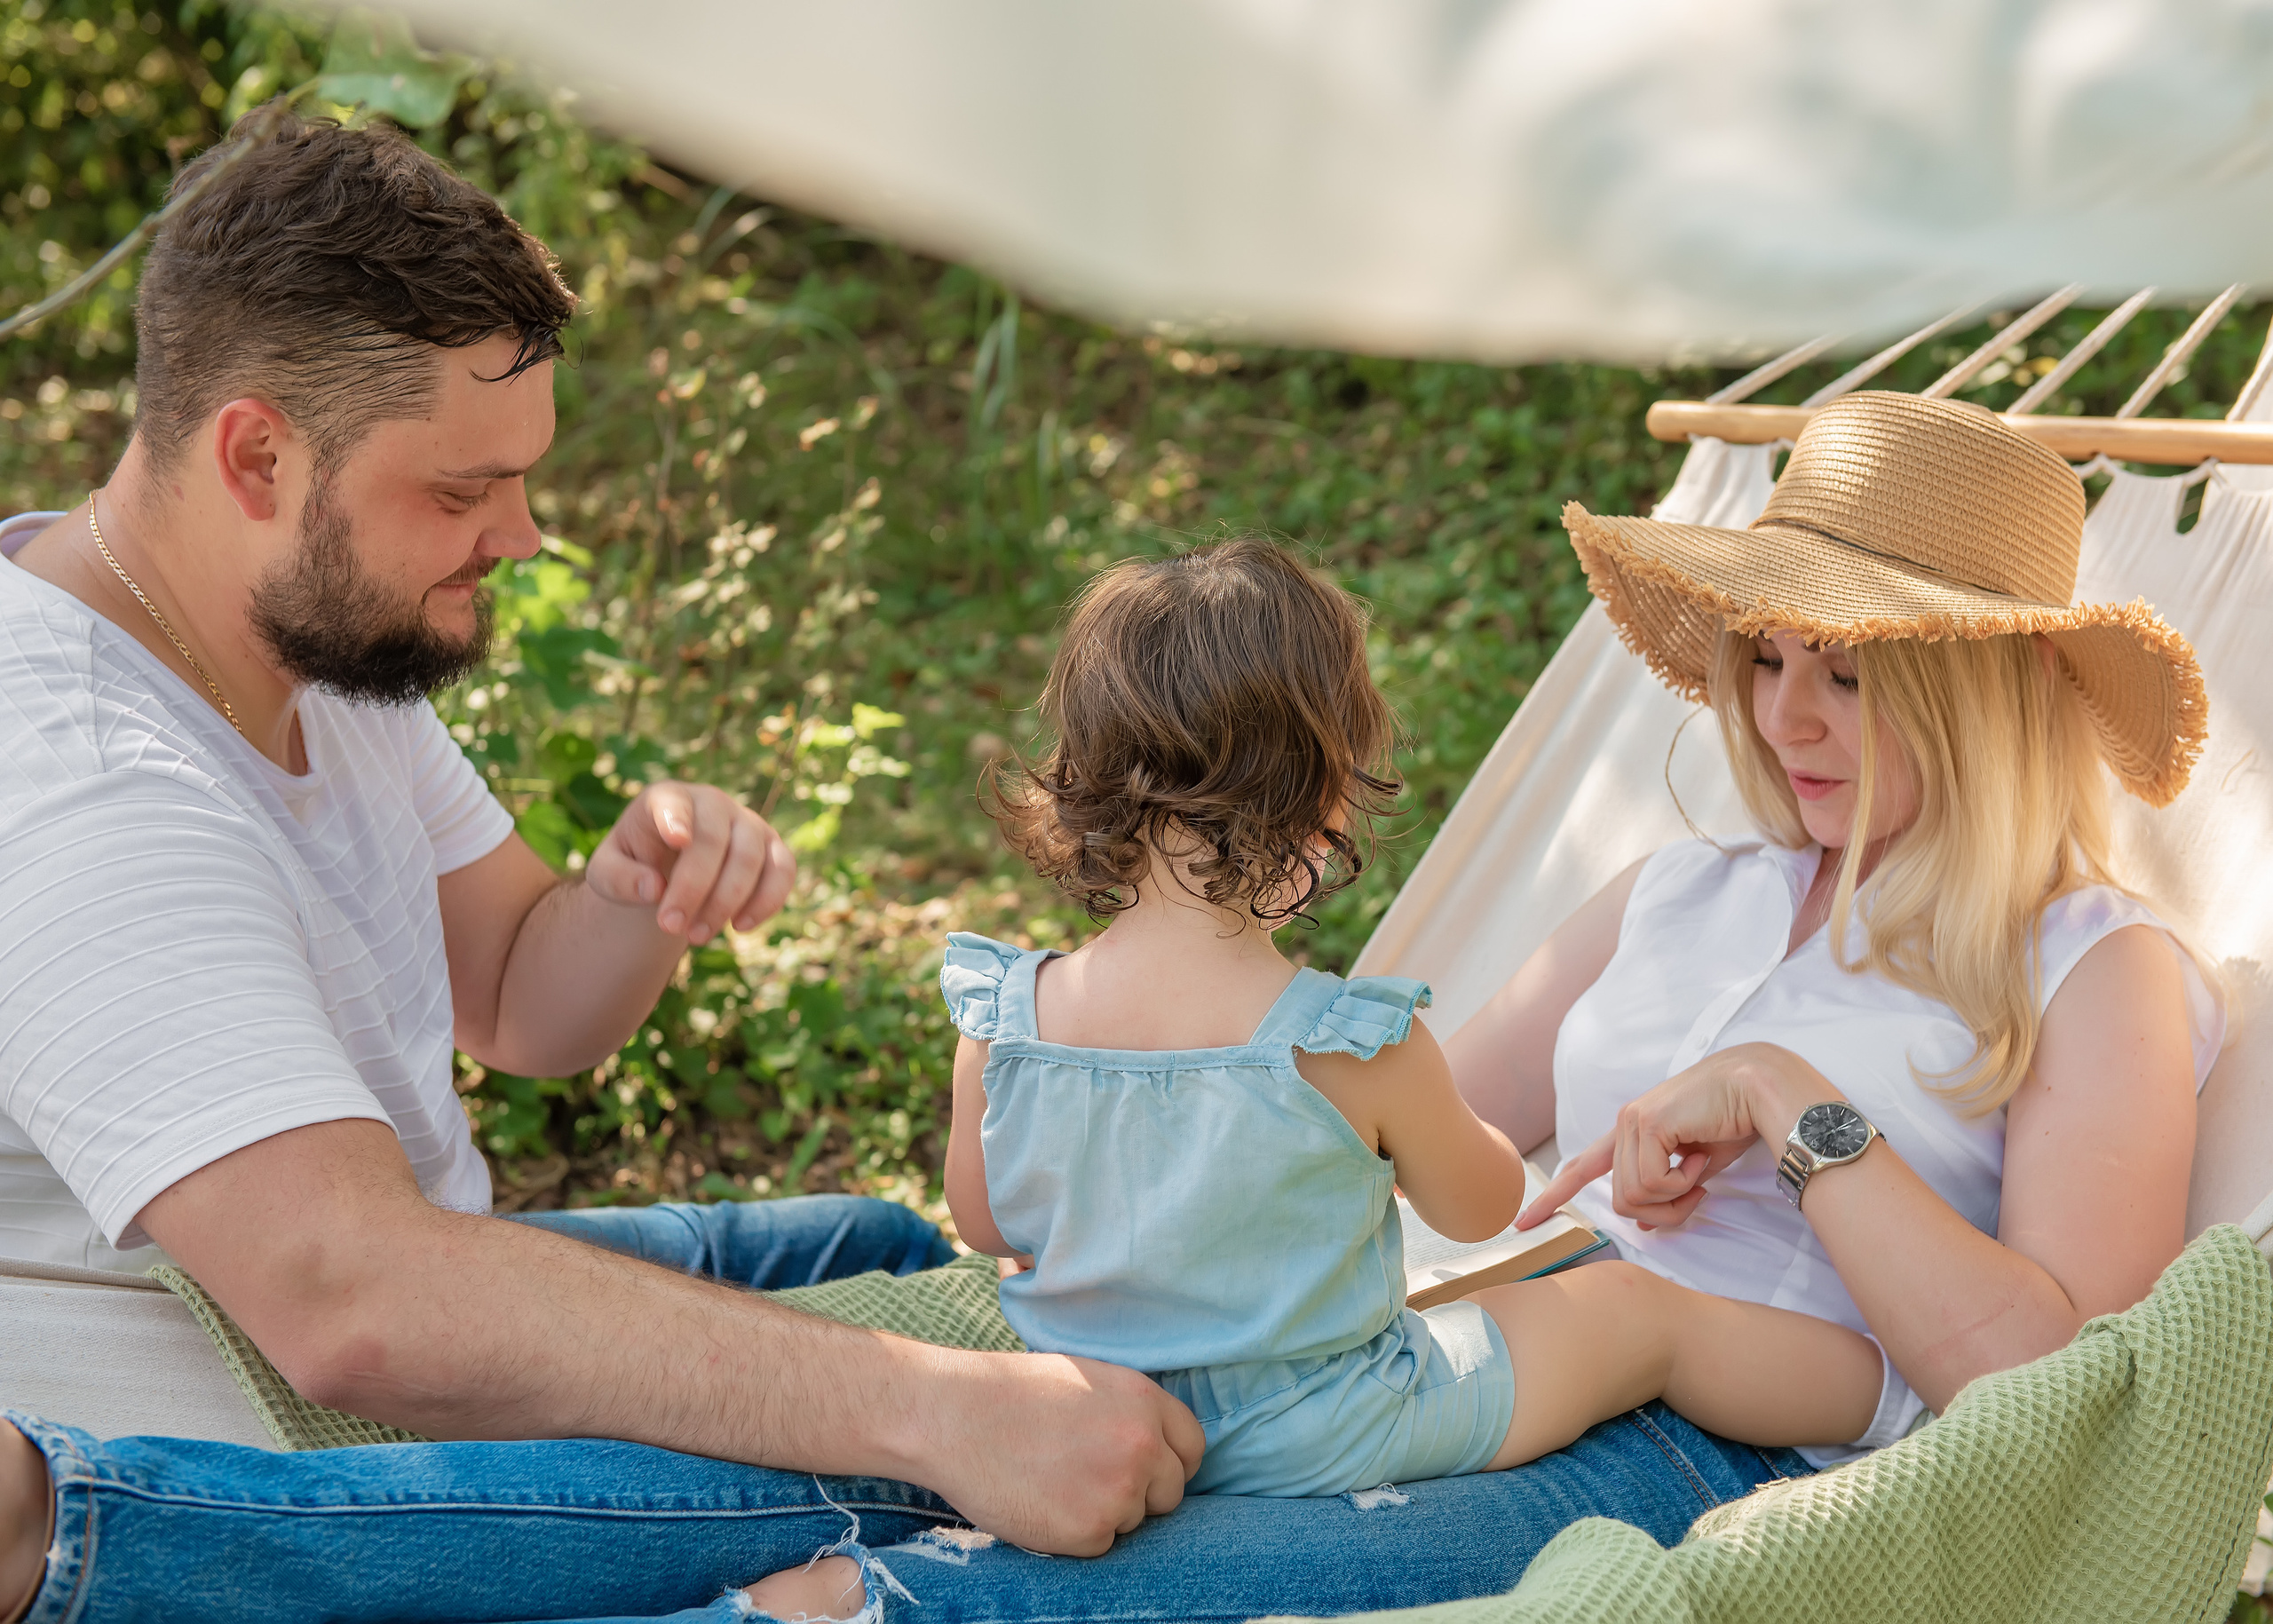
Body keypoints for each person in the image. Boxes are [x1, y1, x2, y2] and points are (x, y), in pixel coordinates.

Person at [741, 391, 2222, 1623]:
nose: (1783, 717)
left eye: (1845, 672)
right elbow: (1413, 1111)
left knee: (1014, 1579)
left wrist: (1787, 1099)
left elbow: (2061, 1389)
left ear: (1996, 688)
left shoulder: (2095, 965)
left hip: (1714, 1446)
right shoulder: (1679, 889)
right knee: (843, 1449)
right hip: (1440, 1358)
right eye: (1764, 658)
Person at [0, 109, 1201, 1624]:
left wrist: (630, 897)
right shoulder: (87, 781)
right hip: (272, 1450)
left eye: (522, 478)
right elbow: (349, 1300)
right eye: (461, 491)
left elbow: (517, 999)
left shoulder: (292, 638)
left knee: (887, 1245)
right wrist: (931, 1410)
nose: (522, 534)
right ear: (256, 452)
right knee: (982, 1459)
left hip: (419, 1284)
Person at [931, 538, 1881, 1500]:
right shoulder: (1348, 1044)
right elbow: (1477, 1208)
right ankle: (1896, 1407)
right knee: (1633, 1315)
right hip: (1328, 1425)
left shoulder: (1001, 1017)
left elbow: (983, 1215)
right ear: (1326, 791)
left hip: (1093, 1407)